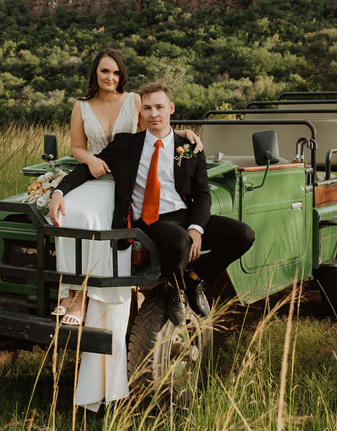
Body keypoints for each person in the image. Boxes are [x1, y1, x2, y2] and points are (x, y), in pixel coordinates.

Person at [50, 82, 255, 389]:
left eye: (159, 107)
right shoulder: (126, 144)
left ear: (170, 109)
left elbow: (202, 195)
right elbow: (84, 170)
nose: (153, 113)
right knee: (178, 241)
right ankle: (175, 289)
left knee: (243, 235)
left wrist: (197, 227)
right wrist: (58, 192)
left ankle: (195, 278)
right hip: (151, 219)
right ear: (141, 112)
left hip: (184, 214)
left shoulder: (189, 147)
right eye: (147, 108)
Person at [50, 50, 201, 411]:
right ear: (95, 72)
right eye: (105, 71)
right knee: (70, 211)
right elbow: (78, 148)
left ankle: (88, 292)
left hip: (124, 181)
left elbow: (154, 124)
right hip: (98, 168)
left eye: (116, 72)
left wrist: (181, 133)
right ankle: (71, 290)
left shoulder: (134, 101)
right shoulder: (81, 106)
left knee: (91, 217)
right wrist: (65, 184)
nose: (111, 78)